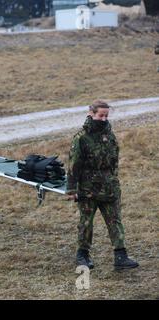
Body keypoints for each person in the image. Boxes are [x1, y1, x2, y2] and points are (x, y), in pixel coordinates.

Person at [66, 100, 139, 271]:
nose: (104, 119)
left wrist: (114, 181)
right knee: (86, 223)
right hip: (88, 189)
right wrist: (71, 189)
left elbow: (114, 162)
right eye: (101, 115)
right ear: (91, 113)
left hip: (109, 187)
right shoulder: (81, 138)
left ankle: (121, 256)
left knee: (115, 221)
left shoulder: (110, 135)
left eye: (107, 116)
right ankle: (82, 256)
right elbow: (73, 165)